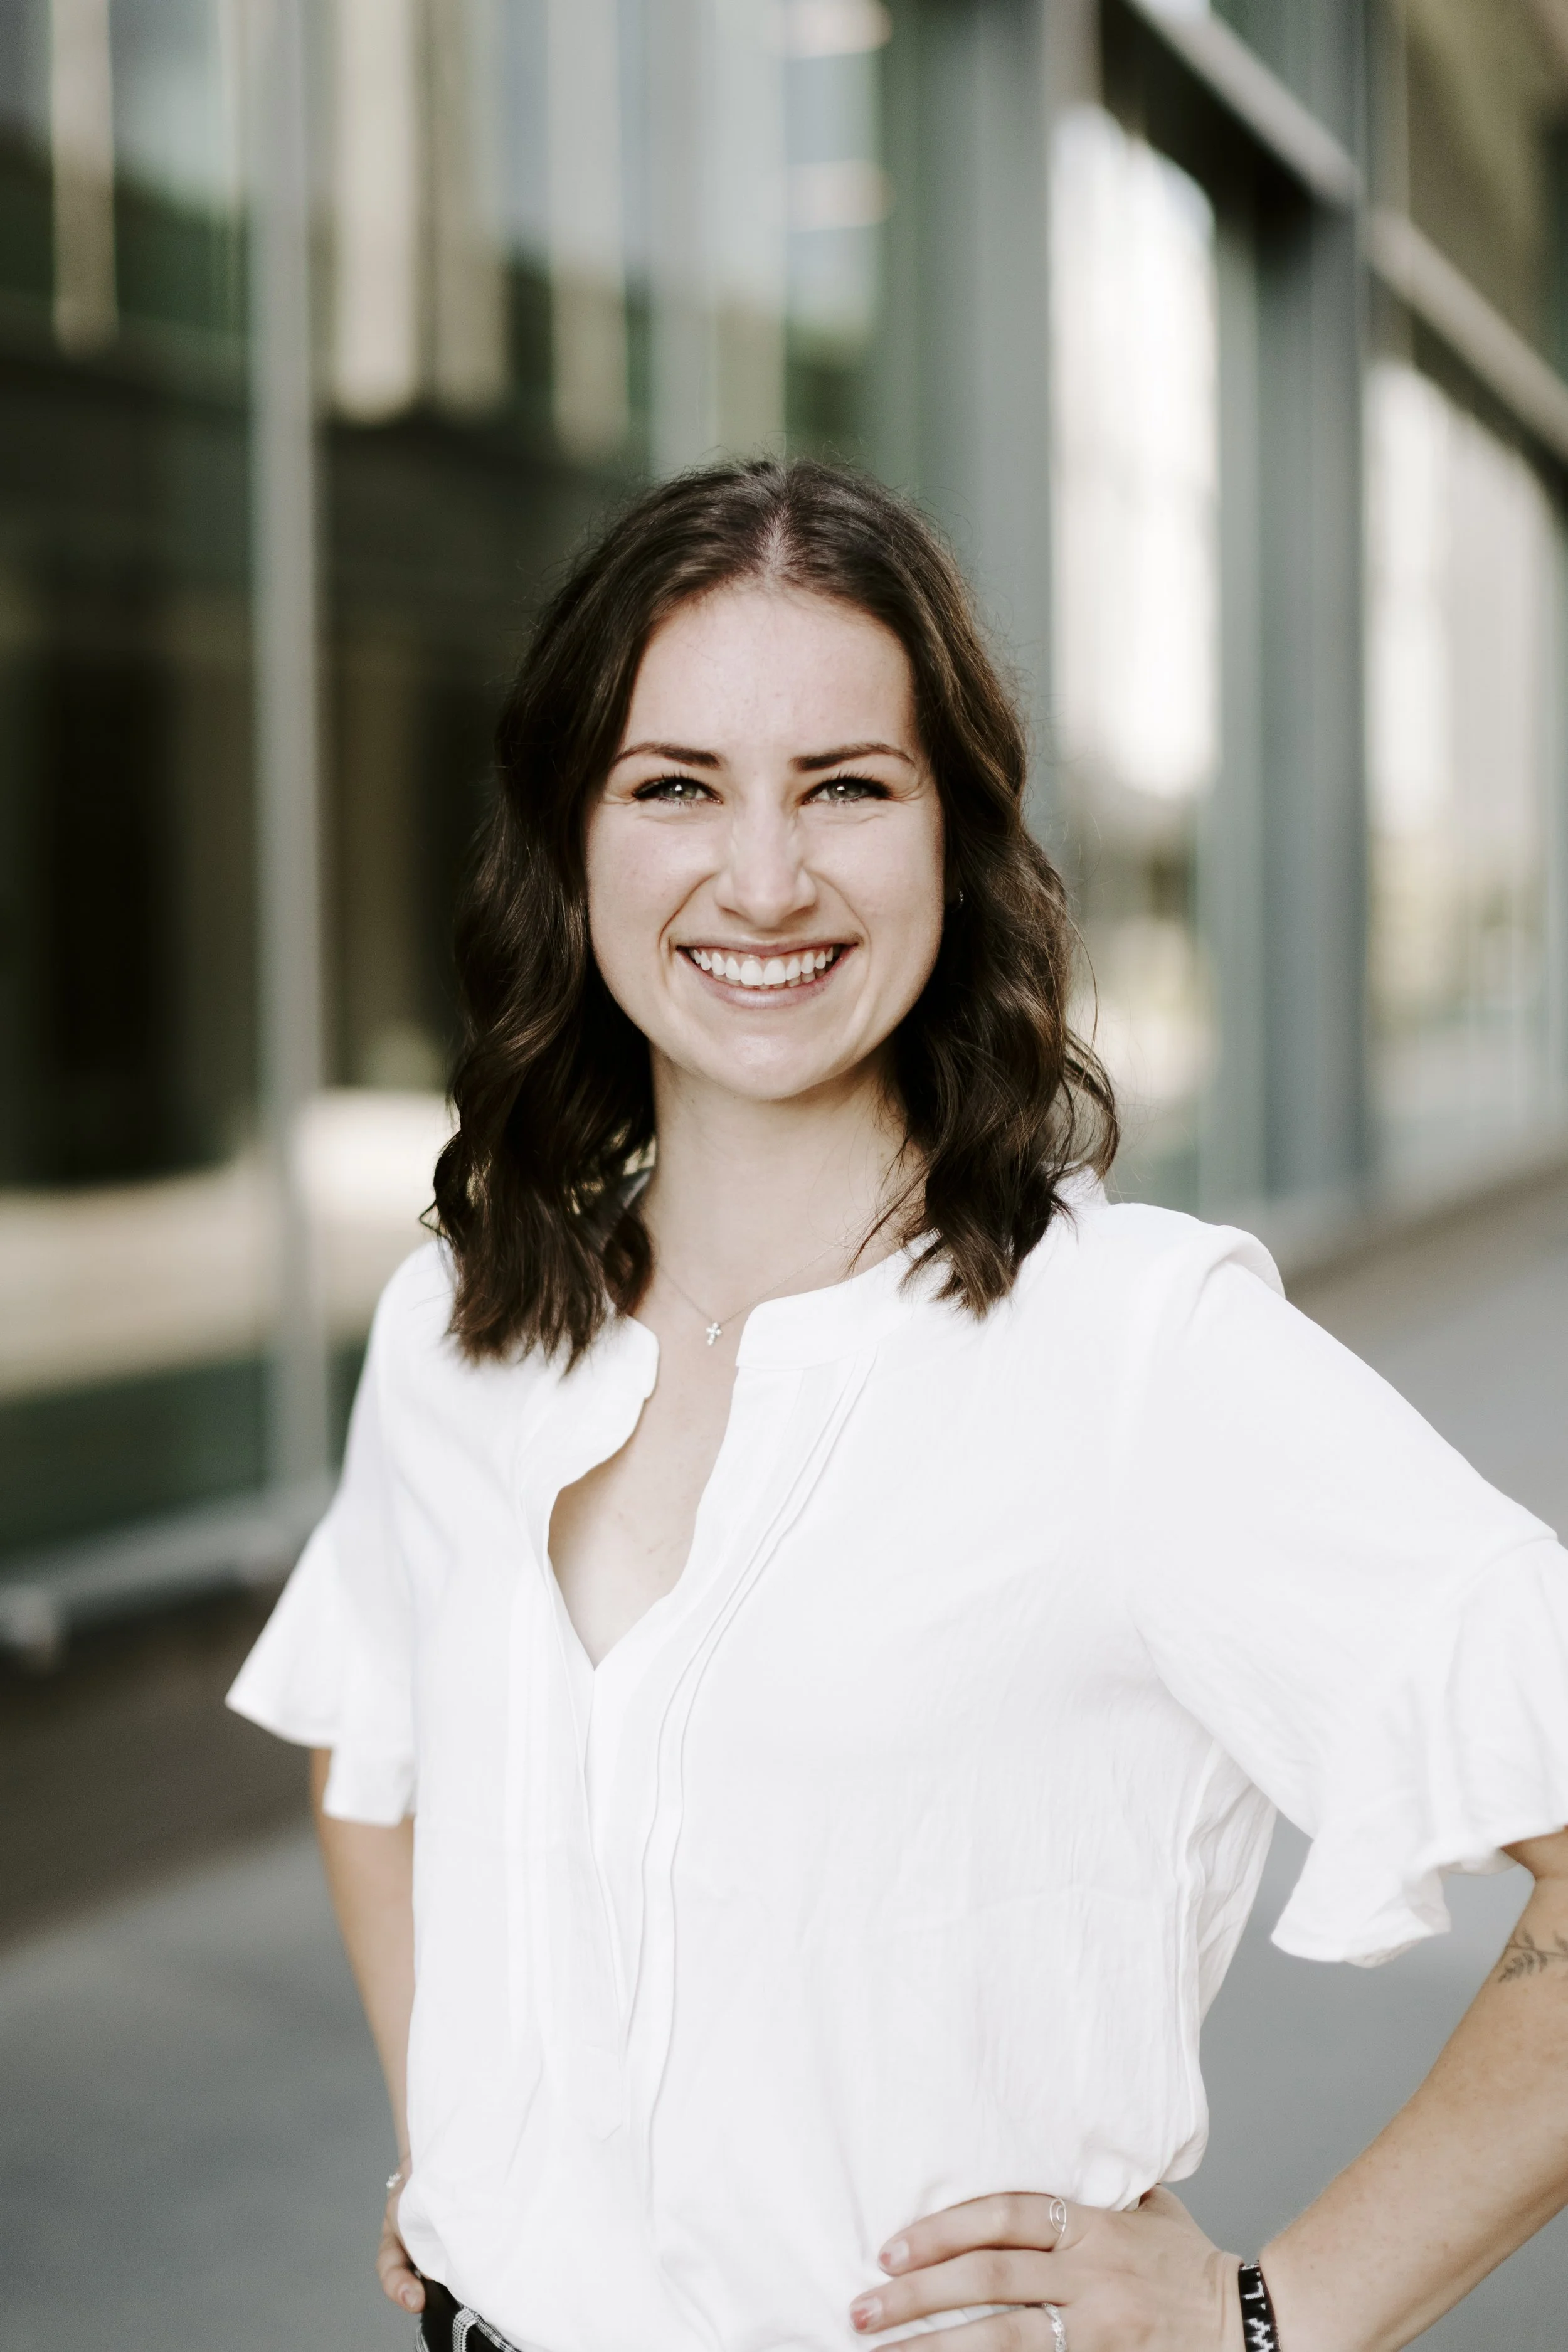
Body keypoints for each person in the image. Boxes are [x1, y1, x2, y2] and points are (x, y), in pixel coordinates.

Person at [229, 457, 1568, 2352]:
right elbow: (369, 1755)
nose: (760, 878)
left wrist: (1271, 2314)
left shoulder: (1133, 1352)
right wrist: (467, 2144)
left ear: (957, 836)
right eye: (674, 784)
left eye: (845, 787)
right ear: (571, 835)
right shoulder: (461, 1320)